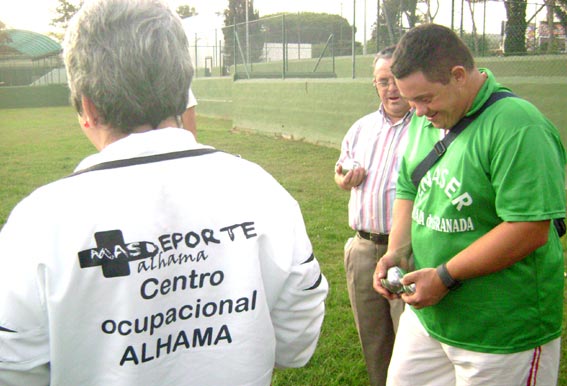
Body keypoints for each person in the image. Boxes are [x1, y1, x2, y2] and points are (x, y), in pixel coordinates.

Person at [0, 1, 328, 385]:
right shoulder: (261, 190)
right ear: (181, 89)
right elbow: (299, 324)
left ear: (86, 106)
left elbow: (14, 363)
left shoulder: (40, 222)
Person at [373, 23, 566, 385]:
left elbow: (529, 228)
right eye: (410, 100)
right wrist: (398, 251)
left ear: (458, 75)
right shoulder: (427, 118)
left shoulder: (518, 126)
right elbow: (408, 187)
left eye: (425, 99)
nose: (417, 112)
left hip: (500, 332)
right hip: (429, 317)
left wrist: (445, 276)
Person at [334, 46, 412, 386]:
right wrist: (342, 178)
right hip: (363, 249)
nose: (391, 88)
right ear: (375, 85)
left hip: (408, 251)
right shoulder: (361, 128)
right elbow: (340, 170)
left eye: (396, 78)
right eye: (383, 81)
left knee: (411, 343)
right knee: (374, 341)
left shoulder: (428, 126)